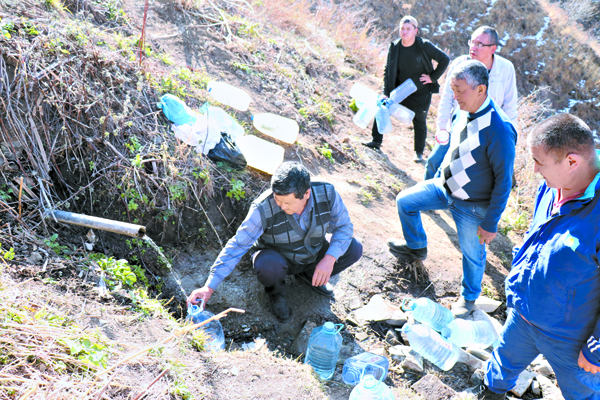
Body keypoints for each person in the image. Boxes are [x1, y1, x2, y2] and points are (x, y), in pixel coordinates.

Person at [473, 113, 600, 400]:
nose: (534, 171)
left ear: (571, 162)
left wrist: (597, 347)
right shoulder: (551, 186)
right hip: (523, 314)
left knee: (583, 395)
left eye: (539, 162)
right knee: (500, 368)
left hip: (571, 336)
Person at [386, 60, 516, 318]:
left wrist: (491, 223)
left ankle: (468, 298)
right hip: (444, 188)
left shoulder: (499, 128)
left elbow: (504, 180)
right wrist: (436, 174)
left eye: (460, 90)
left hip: (472, 205)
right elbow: (452, 147)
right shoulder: (463, 110)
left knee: (472, 254)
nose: (454, 97)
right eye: (452, 90)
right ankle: (416, 245)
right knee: (405, 202)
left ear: (480, 90)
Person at [186, 162, 363, 322]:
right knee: (267, 264)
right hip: (278, 257)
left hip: (313, 252)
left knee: (353, 248)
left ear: (306, 194)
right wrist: (208, 287)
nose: (281, 206)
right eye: (277, 200)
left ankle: (309, 277)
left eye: (286, 202)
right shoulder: (262, 207)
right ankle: (276, 295)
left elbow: (344, 227)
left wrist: (329, 258)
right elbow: (238, 245)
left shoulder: (327, 193)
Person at [424, 26, 518, 180]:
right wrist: (442, 127)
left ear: (492, 48)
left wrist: (509, 141)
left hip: (486, 133)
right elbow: (447, 97)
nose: (473, 47)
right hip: (457, 126)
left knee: (462, 175)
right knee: (434, 162)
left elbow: (510, 107)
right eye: (472, 42)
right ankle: (424, 199)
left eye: (480, 44)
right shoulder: (460, 63)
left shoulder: (506, 69)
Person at [362, 16, 449, 162]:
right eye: (402, 28)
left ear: (416, 31)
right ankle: (376, 141)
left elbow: (444, 59)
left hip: (420, 92)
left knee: (419, 120)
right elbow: (388, 70)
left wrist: (432, 78)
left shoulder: (424, 46)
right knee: (382, 107)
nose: (404, 31)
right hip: (399, 91)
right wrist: (385, 92)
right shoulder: (394, 47)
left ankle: (419, 153)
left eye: (408, 29)